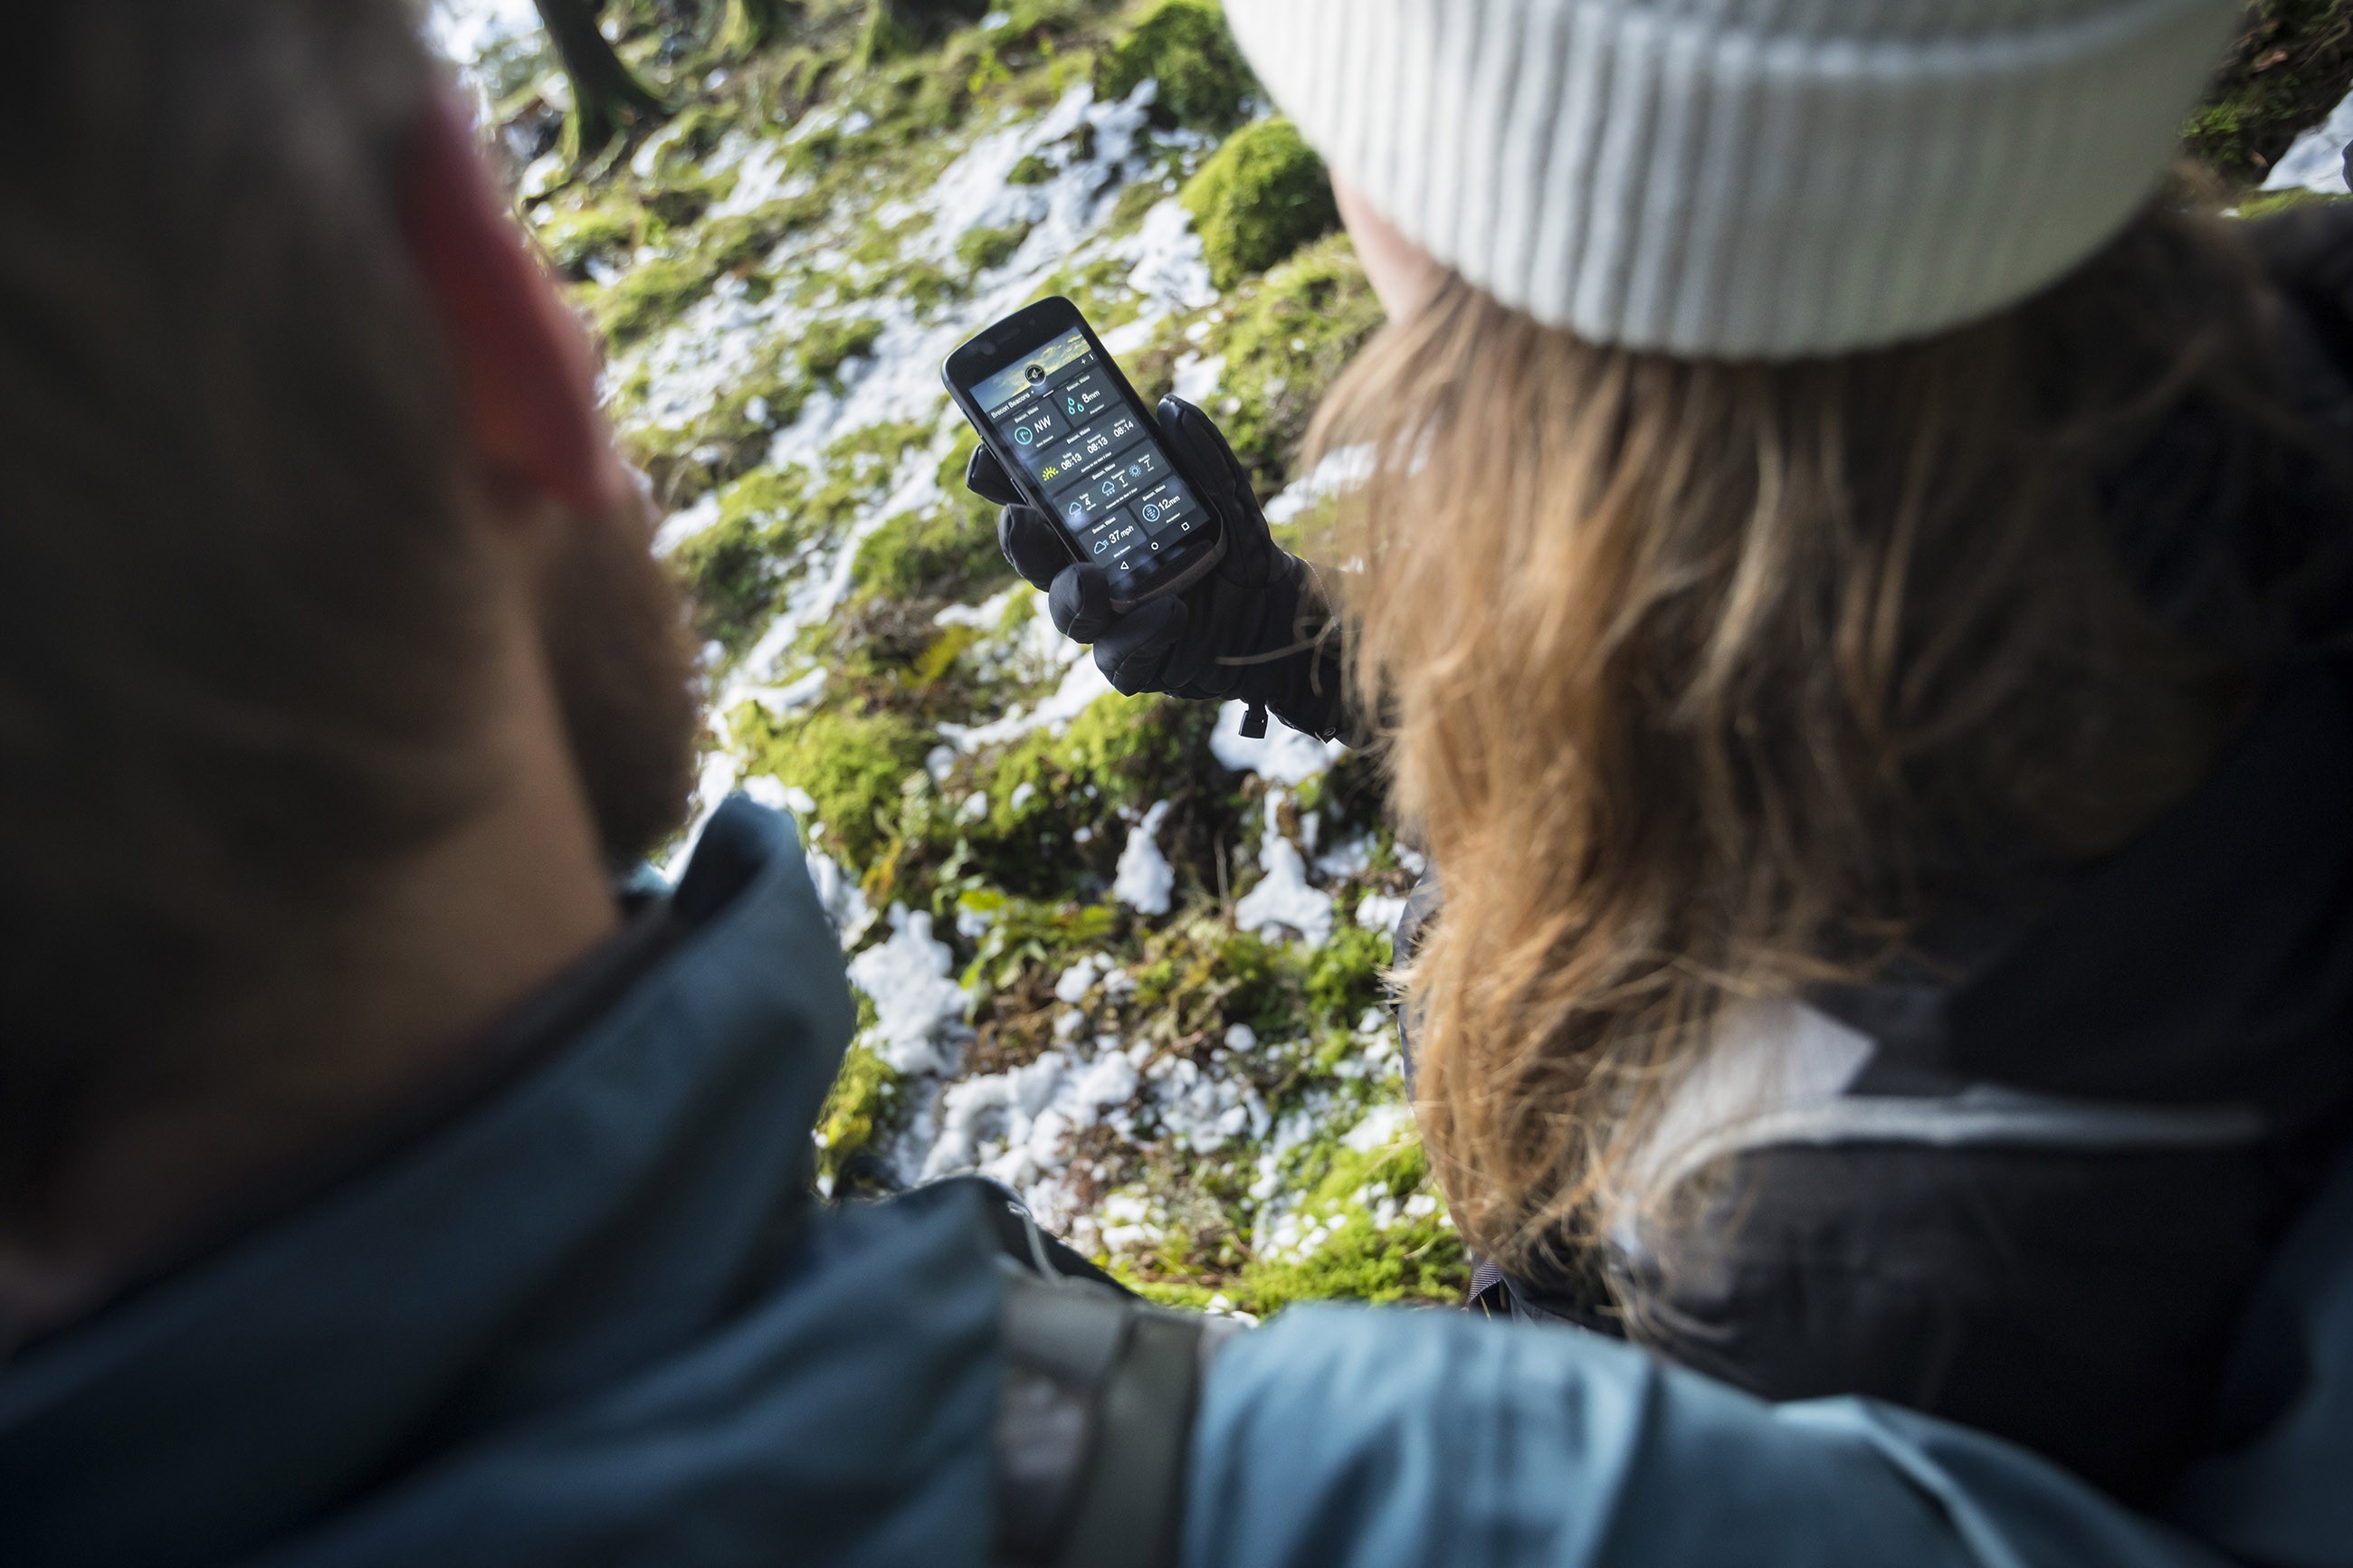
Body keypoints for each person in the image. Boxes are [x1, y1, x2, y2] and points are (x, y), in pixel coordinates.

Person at [1, 5, 2348, 1568]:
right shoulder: (2262, 404)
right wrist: (1316, 654)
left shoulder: (1852, 1248)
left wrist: (1048, 1407)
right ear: (498, 311)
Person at [975, 0, 2353, 1522]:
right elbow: (1722, 700)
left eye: (1356, 123)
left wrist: (1188, 1465)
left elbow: (1643, 1466)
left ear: (1484, 194)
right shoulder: (2256, 360)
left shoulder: (1819, 1217)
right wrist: (1293, 640)